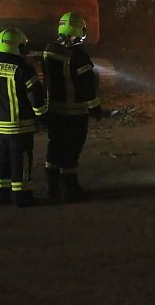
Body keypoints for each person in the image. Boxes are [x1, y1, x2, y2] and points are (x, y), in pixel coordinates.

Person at [42, 11, 102, 202]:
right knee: (71, 151)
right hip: (75, 113)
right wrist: (95, 108)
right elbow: (87, 87)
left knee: (54, 148)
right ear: (79, 29)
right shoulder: (79, 57)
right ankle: (70, 188)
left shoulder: (49, 50)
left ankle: (52, 188)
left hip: (53, 110)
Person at [0, 28, 46, 207]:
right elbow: (35, 95)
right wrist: (42, 115)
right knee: (21, 162)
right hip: (20, 127)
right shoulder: (24, 69)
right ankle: (22, 197)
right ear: (17, 47)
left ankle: (0, 194)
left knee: (2, 161)